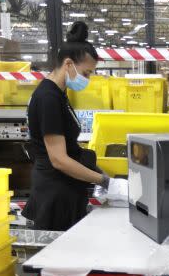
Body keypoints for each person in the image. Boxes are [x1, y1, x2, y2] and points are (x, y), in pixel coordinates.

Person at [22, 21, 128, 231]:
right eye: (86, 73)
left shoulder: (59, 94)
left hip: (65, 189)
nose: (87, 79)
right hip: (55, 195)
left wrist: (97, 172)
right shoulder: (48, 98)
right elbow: (59, 160)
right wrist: (106, 182)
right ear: (68, 64)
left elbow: (68, 147)